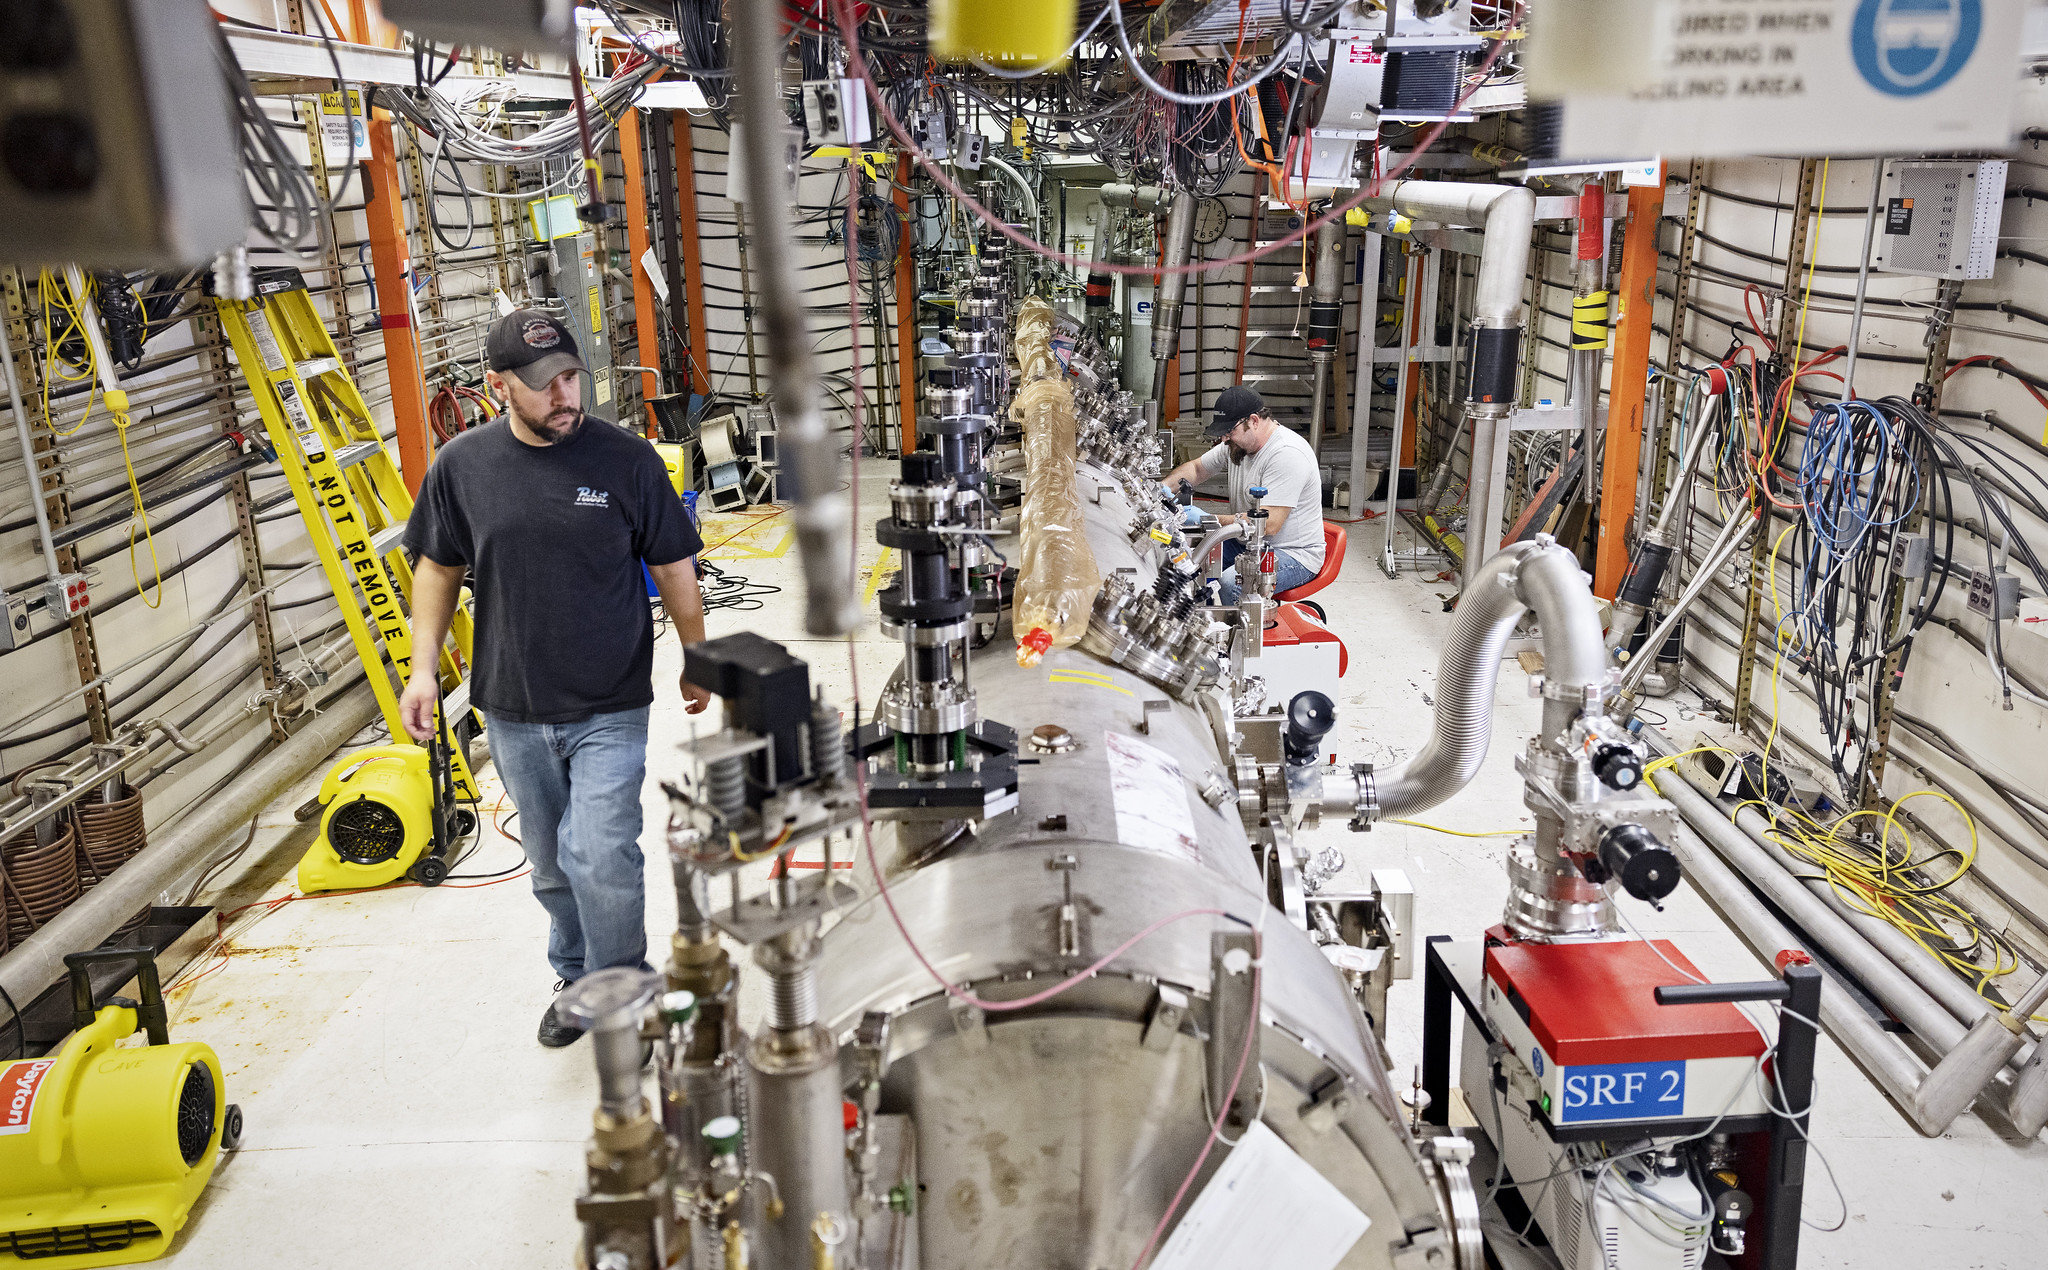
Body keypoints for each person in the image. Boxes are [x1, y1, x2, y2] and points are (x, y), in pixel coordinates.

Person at [398, 309, 712, 1049]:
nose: (565, 395)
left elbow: (674, 567)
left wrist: (699, 657)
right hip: (510, 707)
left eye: (571, 377)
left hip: (610, 701)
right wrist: (420, 671)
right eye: (545, 386)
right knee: (550, 866)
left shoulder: (628, 461)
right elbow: (437, 567)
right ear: (498, 387)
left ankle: (623, 988)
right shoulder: (462, 468)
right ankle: (576, 975)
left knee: (600, 852)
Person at [1160, 385, 1325, 603]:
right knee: (1186, 561)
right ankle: (1202, 623)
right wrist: (1160, 490)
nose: (1225, 439)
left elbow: (1269, 524)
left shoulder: (1286, 454)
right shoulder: (1238, 446)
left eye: (1230, 432)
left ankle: (1232, 636)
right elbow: (1197, 469)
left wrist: (1209, 520)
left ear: (1254, 421)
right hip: (1247, 543)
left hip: (1291, 553)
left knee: (1232, 583)